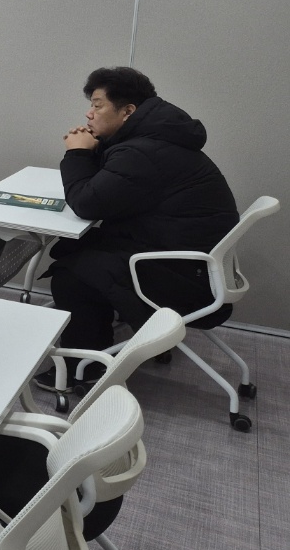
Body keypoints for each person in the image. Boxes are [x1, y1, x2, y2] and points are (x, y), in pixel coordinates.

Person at [44, 66, 238, 382]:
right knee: (80, 249)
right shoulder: (156, 138)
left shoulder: (143, 151)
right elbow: (113, 183)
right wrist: (95, 148)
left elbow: (87, 204)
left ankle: (86, 370)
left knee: (72, 275)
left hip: (183, 277)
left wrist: (78, 153)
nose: (89, 114)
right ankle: (107, 338)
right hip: (190, 264)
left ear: (128, 111)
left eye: (97, 105)